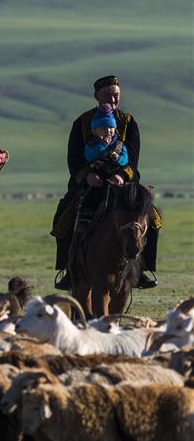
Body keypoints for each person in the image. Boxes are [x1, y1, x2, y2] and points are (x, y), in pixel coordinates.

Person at [52, 75, 158, 290]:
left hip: (122, 185)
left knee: (153, 219)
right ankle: (68, 270)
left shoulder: (128, 122)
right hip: (91, 182)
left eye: (116, 95)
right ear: (96, 96)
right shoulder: (81, 122)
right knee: (63, 218)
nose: (113, 98)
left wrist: (122, 176)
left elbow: (134, 159)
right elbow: (73, 159)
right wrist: (87, 176)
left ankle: (143, 270)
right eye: (108, 94)